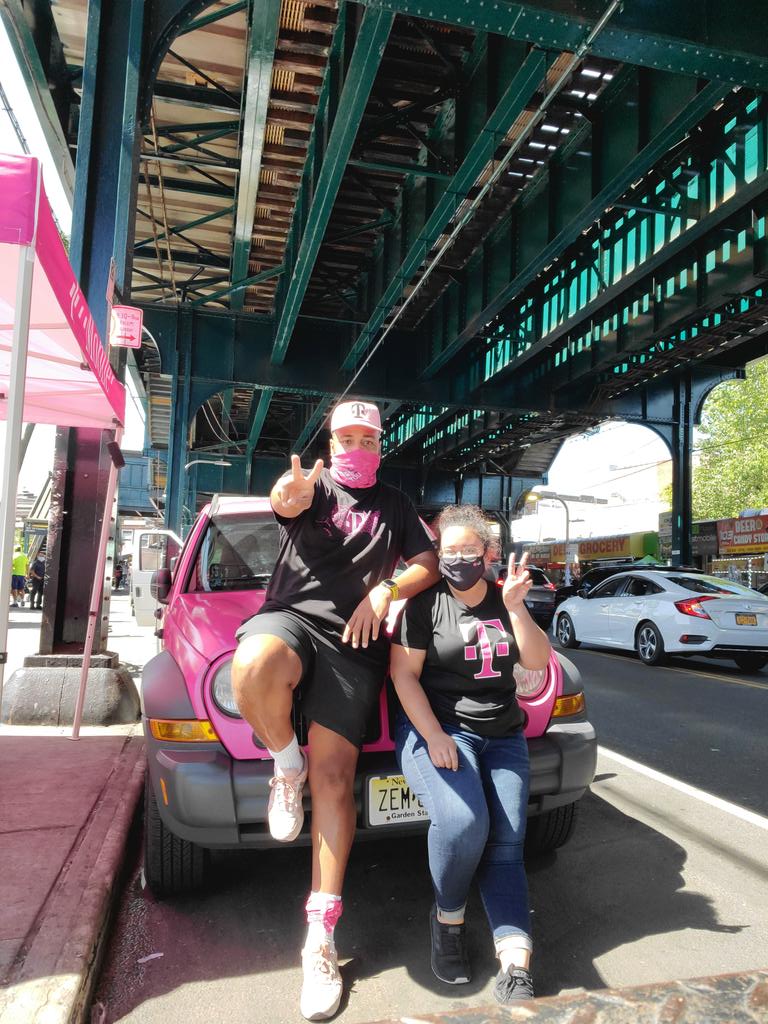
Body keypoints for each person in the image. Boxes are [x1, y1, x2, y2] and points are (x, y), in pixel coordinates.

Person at [231, 399, 439, 1021]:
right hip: (291, 618)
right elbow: (285, 500)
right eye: (346, 436)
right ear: (330, 439)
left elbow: (427, 560)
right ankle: (283, 765)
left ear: (380, 442)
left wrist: (387, 587)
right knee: (253, 664)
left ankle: (319, 938)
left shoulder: (397, 505)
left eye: (367, 438)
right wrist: (290, 490)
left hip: (356, 643)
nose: (357, 446)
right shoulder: (313, 488)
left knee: (337, 785)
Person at [389, 504, 551, 1004]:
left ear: (489, 553)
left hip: (503, 734)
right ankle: (448, 919)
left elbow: (538, 661)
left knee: (506, 843)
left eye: (468, 550)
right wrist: (434, 736)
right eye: (448, 551)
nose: (458, 559)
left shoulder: (507, 598)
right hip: (438, 729)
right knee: (463, 823)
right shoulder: (424, 605)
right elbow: (402, 676)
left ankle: (515, 964)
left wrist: (519, 607)